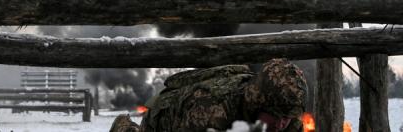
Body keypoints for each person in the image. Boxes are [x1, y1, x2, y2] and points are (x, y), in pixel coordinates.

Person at [109, 59, 308, 132]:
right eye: (277, 115)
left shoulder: (285, 118)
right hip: (163, 122)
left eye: (288, 117)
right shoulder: (210, 113)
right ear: (258, 104)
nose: (283, 124)